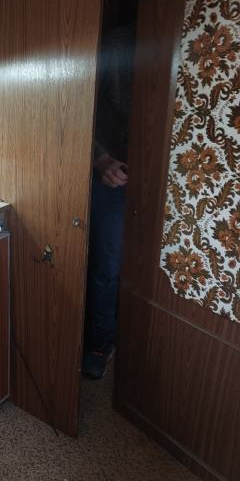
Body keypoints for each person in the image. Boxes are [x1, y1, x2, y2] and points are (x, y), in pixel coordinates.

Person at [82, 22, 135, 380]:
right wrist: (101, 159)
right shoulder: (116, 43)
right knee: (107, 266)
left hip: (166, 173)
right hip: (112, 175)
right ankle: (100, 342)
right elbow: (78, 105)